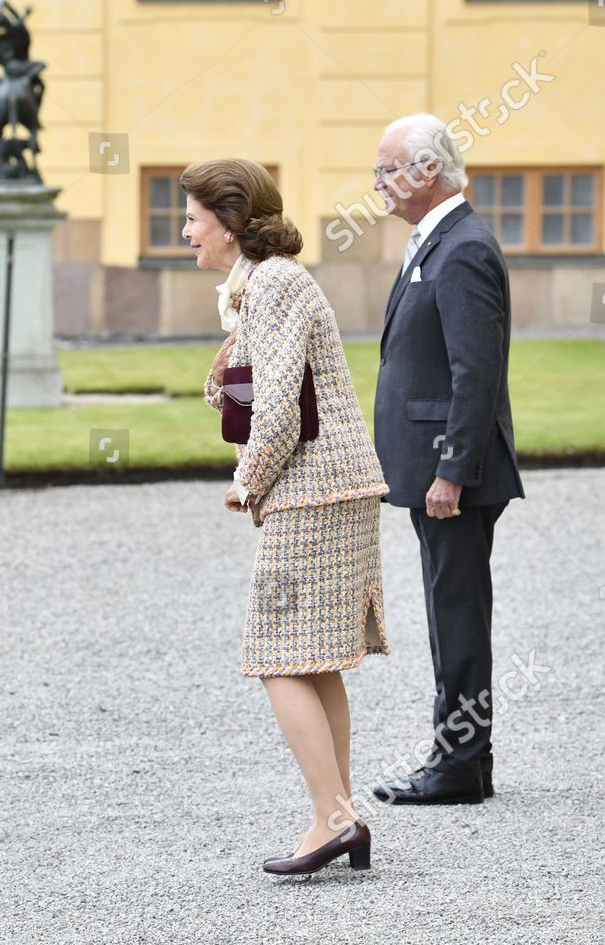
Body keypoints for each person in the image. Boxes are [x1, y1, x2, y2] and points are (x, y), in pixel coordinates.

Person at [191, 159, 389, 876]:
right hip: (336, 488)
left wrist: (247, 482)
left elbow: (275, 409)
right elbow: (257, 390)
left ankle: (333, 818)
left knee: (278, 656)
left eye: (193, 218)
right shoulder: (266, 285)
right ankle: (341, 817)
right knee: (317, 659)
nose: (185, 230)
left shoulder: (272, 284)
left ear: (232, 221)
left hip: (312, 492)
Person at [367, 113, 524, 807]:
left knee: (456, 613)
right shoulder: (433, 241)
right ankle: (464, 757)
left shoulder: (461, 248)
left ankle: (460, 761)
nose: (379, 184)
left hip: (450, 473)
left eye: (388, 170)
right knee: (446, 608)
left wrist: (452, 470)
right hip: (434, 469)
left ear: (429, 172)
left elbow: (476, 371)